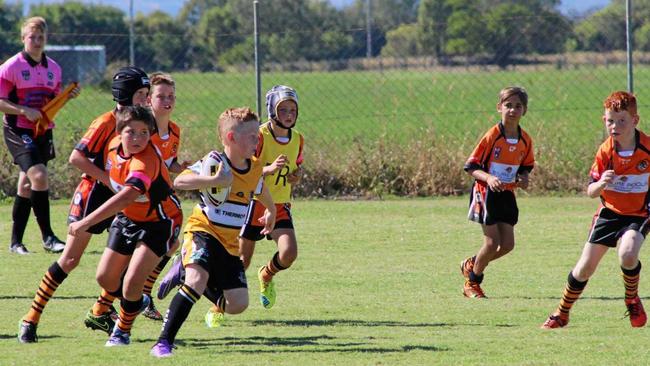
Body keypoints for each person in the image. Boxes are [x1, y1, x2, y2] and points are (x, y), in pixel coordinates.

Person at [17, 66, 150, 343]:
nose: (145, 99)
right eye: (140, 94)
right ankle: (31, 318)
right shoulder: (105, 122)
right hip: (94, 194)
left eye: (147, 94)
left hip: (118, 198)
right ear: (124, 95)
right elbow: (76, 158)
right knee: (70, 259)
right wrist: (111, 181)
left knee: (125, 259)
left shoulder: (140, 123)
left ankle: (101, 310)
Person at [157, 85, 304, 327]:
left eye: (292, 109)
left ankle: (266, 274)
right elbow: (249, 170)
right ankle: (216, 303)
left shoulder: (298, 139)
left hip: (277, 203)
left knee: (289, 253)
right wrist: (267, 170)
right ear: (272, 111)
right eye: (283, 109)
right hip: (248, 205)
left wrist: (293, 177)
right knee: (241, 262)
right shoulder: (259, 135)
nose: (289, 114)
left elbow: (288, 167)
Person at [150, 107, 276, 358]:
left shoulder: (253, 167)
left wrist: (271, 210)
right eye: (251, 135)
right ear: (231, 138)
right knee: (196, 283)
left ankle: (184, 268)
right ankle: (163, 342)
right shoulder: (214, 162)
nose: (257, 139)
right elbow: (179, 182)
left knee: (238, 305)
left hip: (230, 244)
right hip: (202, 231)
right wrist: (212, 182)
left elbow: (260, 188)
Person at [69, 105, 183, 347]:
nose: (138, 138)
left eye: (145, 132)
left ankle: (122, 330)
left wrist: (86, 222)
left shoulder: (146, 161)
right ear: (119, 132)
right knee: (105, 278)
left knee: (132, 284)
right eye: (131, 131)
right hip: (129, 218)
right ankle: (136, 302)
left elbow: (127, 195)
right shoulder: (111, 148)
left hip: (160, 221)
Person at [542, 91, 648, 329]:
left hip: (637, 214)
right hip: (609, 213)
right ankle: (562, 313)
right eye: (610, 120)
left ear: (635, 120)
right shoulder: (605, 151)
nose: (615, 126)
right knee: (584, 268)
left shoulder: (648, 149)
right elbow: (590, 191)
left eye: (622, 120)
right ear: (604, 120)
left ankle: (631, 298)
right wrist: (601, 184)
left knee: (628, 253)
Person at [0, 16, 80, 255]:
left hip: (42, 132)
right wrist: (23, 110)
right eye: (31, 37)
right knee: (40, 175)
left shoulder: (53, 69)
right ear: (23, 38)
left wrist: (67, 96)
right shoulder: (10, 67)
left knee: (27, 183)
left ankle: (15, 243)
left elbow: (50, 104)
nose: (36, 41)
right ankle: (48, 237)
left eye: (40, 37)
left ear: (46, 39)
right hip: (18, 130)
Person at [460, 86, 534, 298]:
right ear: (499, 108)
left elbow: (526, 165)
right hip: (486, 193)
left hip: (507, 194)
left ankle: (472, 264)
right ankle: (472, 283)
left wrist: (524, 178)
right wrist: (490, 178)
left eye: (517, 106)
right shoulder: (492, 136)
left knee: (508, 245)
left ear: (524, 110)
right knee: (492, 243)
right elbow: (472, 167)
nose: (512, 110)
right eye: (508, 105)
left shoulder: (525, 140)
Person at [139, 71, 190, 320]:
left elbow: (169, 164)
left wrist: (187, 168)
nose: (167, 100)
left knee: (172, 244)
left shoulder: (175, 131)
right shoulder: (142, 130)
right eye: (161, 96)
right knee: (136, 254)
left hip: (161, 201)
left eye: (171, 96)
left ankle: (144, 297)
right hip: (139, 201)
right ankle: (109, 305)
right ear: (149, 99)